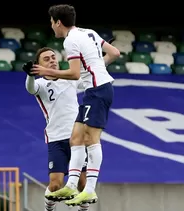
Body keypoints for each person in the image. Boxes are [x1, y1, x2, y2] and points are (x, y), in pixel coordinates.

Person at [31, 4, 120, 206]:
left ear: (58, 22)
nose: (52, 26)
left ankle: (89, 190)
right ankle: (71, 185)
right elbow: (114, 52)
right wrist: (96, 63)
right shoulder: (88, 32)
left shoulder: (70, 41)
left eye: (52, 23)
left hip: (97, 90)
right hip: (96, 89)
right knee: (77, 137)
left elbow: (74, 74)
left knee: (91, 139)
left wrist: (51, 73)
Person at [24, 47, 90, 211]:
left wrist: (101, 58)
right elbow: (30, 88)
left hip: (77, 138)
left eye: (53, 57)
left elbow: (90, 77)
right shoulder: (40, 83)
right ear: (38, 66)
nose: (52, 60)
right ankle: (49, 207)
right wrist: (30, 75)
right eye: (46, 59)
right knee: (55, 185)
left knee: (83, 183)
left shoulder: (70, 78)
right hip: (56, 139)